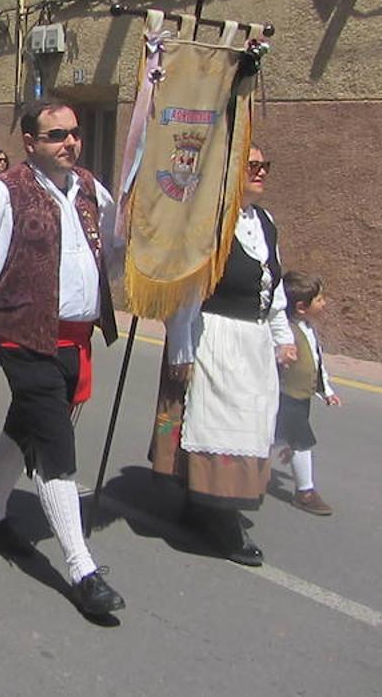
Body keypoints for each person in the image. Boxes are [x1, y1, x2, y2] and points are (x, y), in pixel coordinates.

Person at [0, 99, 125, 617]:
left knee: (23, 427)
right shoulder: (4, 195)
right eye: (55, 135)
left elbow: (111, 249)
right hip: (24, 338)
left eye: (73, 133)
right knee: (54, 442)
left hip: (76, 338)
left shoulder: (93, 190)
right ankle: (82, 569)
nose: (69, 142)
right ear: (30, 143)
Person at [150, 145, 296, 566]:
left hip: (251, 342)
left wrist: (281, 337)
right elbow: (186, 289)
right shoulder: (208, 222)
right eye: (252, 166)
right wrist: (181, 347)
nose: (261, 173)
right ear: (230, 173)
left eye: (265, 165)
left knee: (250, 422)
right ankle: (219, 517)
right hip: (212, 335)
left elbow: (276, 292)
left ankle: (201, 505)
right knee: (218, 424)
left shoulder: (265, 222)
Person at [275, 271, 341, 516]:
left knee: (275, 438)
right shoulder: (284, 331)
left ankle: (244, 471)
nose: (325, 303)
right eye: (320, 299)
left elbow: (317, 363)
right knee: (301, 442)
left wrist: (326, 392)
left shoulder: (308, 329)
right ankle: (305, 492)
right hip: (286, 396)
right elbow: (271, 358)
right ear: (302, 307)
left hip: (302, 398)